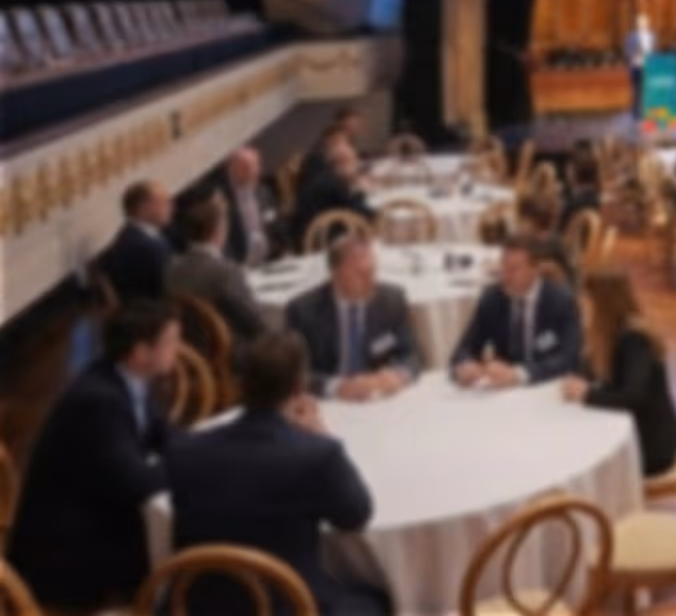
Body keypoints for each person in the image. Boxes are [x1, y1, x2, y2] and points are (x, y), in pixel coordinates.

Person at [167, 332, 385, 616]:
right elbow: (357, 514)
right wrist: (321, 436)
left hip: (198, 606)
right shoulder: (315, 455)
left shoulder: (184, 451)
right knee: (378, 597)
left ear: (239, 384)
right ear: (299, 385)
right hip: (291, 606)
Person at [4, 301, 178, 610]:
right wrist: (189, 467)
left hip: (96, 513)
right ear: (140, 352)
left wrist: (201, 453)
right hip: (64, 550)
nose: (177, 349)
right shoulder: (100, 403)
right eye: (170, 342)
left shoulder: (128, 380)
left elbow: (165, 436)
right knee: (174, 557)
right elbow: (136, 484)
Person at [563, 269, 676, 477]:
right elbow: (590, 372)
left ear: (603, 307)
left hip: (652, 444)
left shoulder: (634, 339)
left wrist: (587, 394)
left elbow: (633, 396)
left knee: (580, 457)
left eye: (586, 305)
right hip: (635, 431)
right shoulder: (606, 335)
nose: (582, 312)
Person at [284, 234, 419, 400]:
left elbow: (411, 355)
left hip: (379, 398)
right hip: (329, 403)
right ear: (335, 274)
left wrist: (398, 375)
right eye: (361, 274)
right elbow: (294, 374)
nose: (371, 282)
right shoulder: (303, 310)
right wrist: (337, 387)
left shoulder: (391, 300)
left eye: (372, 271)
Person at [450, 234, 585, 386]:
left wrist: (519, 374)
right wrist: (465, 365)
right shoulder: (493, 299)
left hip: (548, 388)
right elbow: (463, 349)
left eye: (513, 270)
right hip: (502, 392)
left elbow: (569, 359)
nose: (504, 277)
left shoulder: (560, 301)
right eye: (503, 268)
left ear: (535, 269)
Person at [166, 187, 265, 364]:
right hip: (227, 349)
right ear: (218, 231)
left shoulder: (172, 269)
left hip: (190, 347)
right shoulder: (225, 271)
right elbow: (253, 319)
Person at [95, 179, 174, 303]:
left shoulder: (130, 234)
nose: (170, 207)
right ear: (143, 207)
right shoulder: (144, 246)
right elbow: (167, 288)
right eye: (163, 202)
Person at [290, 140, 374, 249]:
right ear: (343, 163)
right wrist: (359, 190)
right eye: (354, 162)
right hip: (321, 245)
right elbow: (363, 215)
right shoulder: (334, 184)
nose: (356, 167)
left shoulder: (319, 172)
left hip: (302, 236)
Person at [209, 147, 278, 265]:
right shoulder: (221, 199)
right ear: (232, 170)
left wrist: (285, 251)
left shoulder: (264, 193)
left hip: (271, 261)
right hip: (239, 265)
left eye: (255, 166)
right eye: (246, 168)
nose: (254, 172)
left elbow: (275, 223)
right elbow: (220, 241)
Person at [625, 12, 656, 112]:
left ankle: (647, 110)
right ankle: (636, 111)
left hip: (648, 65)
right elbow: (627, 50)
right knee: (636, 89)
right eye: (639, 23)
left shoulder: (651, 36)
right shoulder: (631, 36)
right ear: (636, 24)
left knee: (647, 89)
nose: (642, 25)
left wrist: (649, 53)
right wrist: (635, 53)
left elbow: (653, 49)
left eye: (644, 23)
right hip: (636, 65)